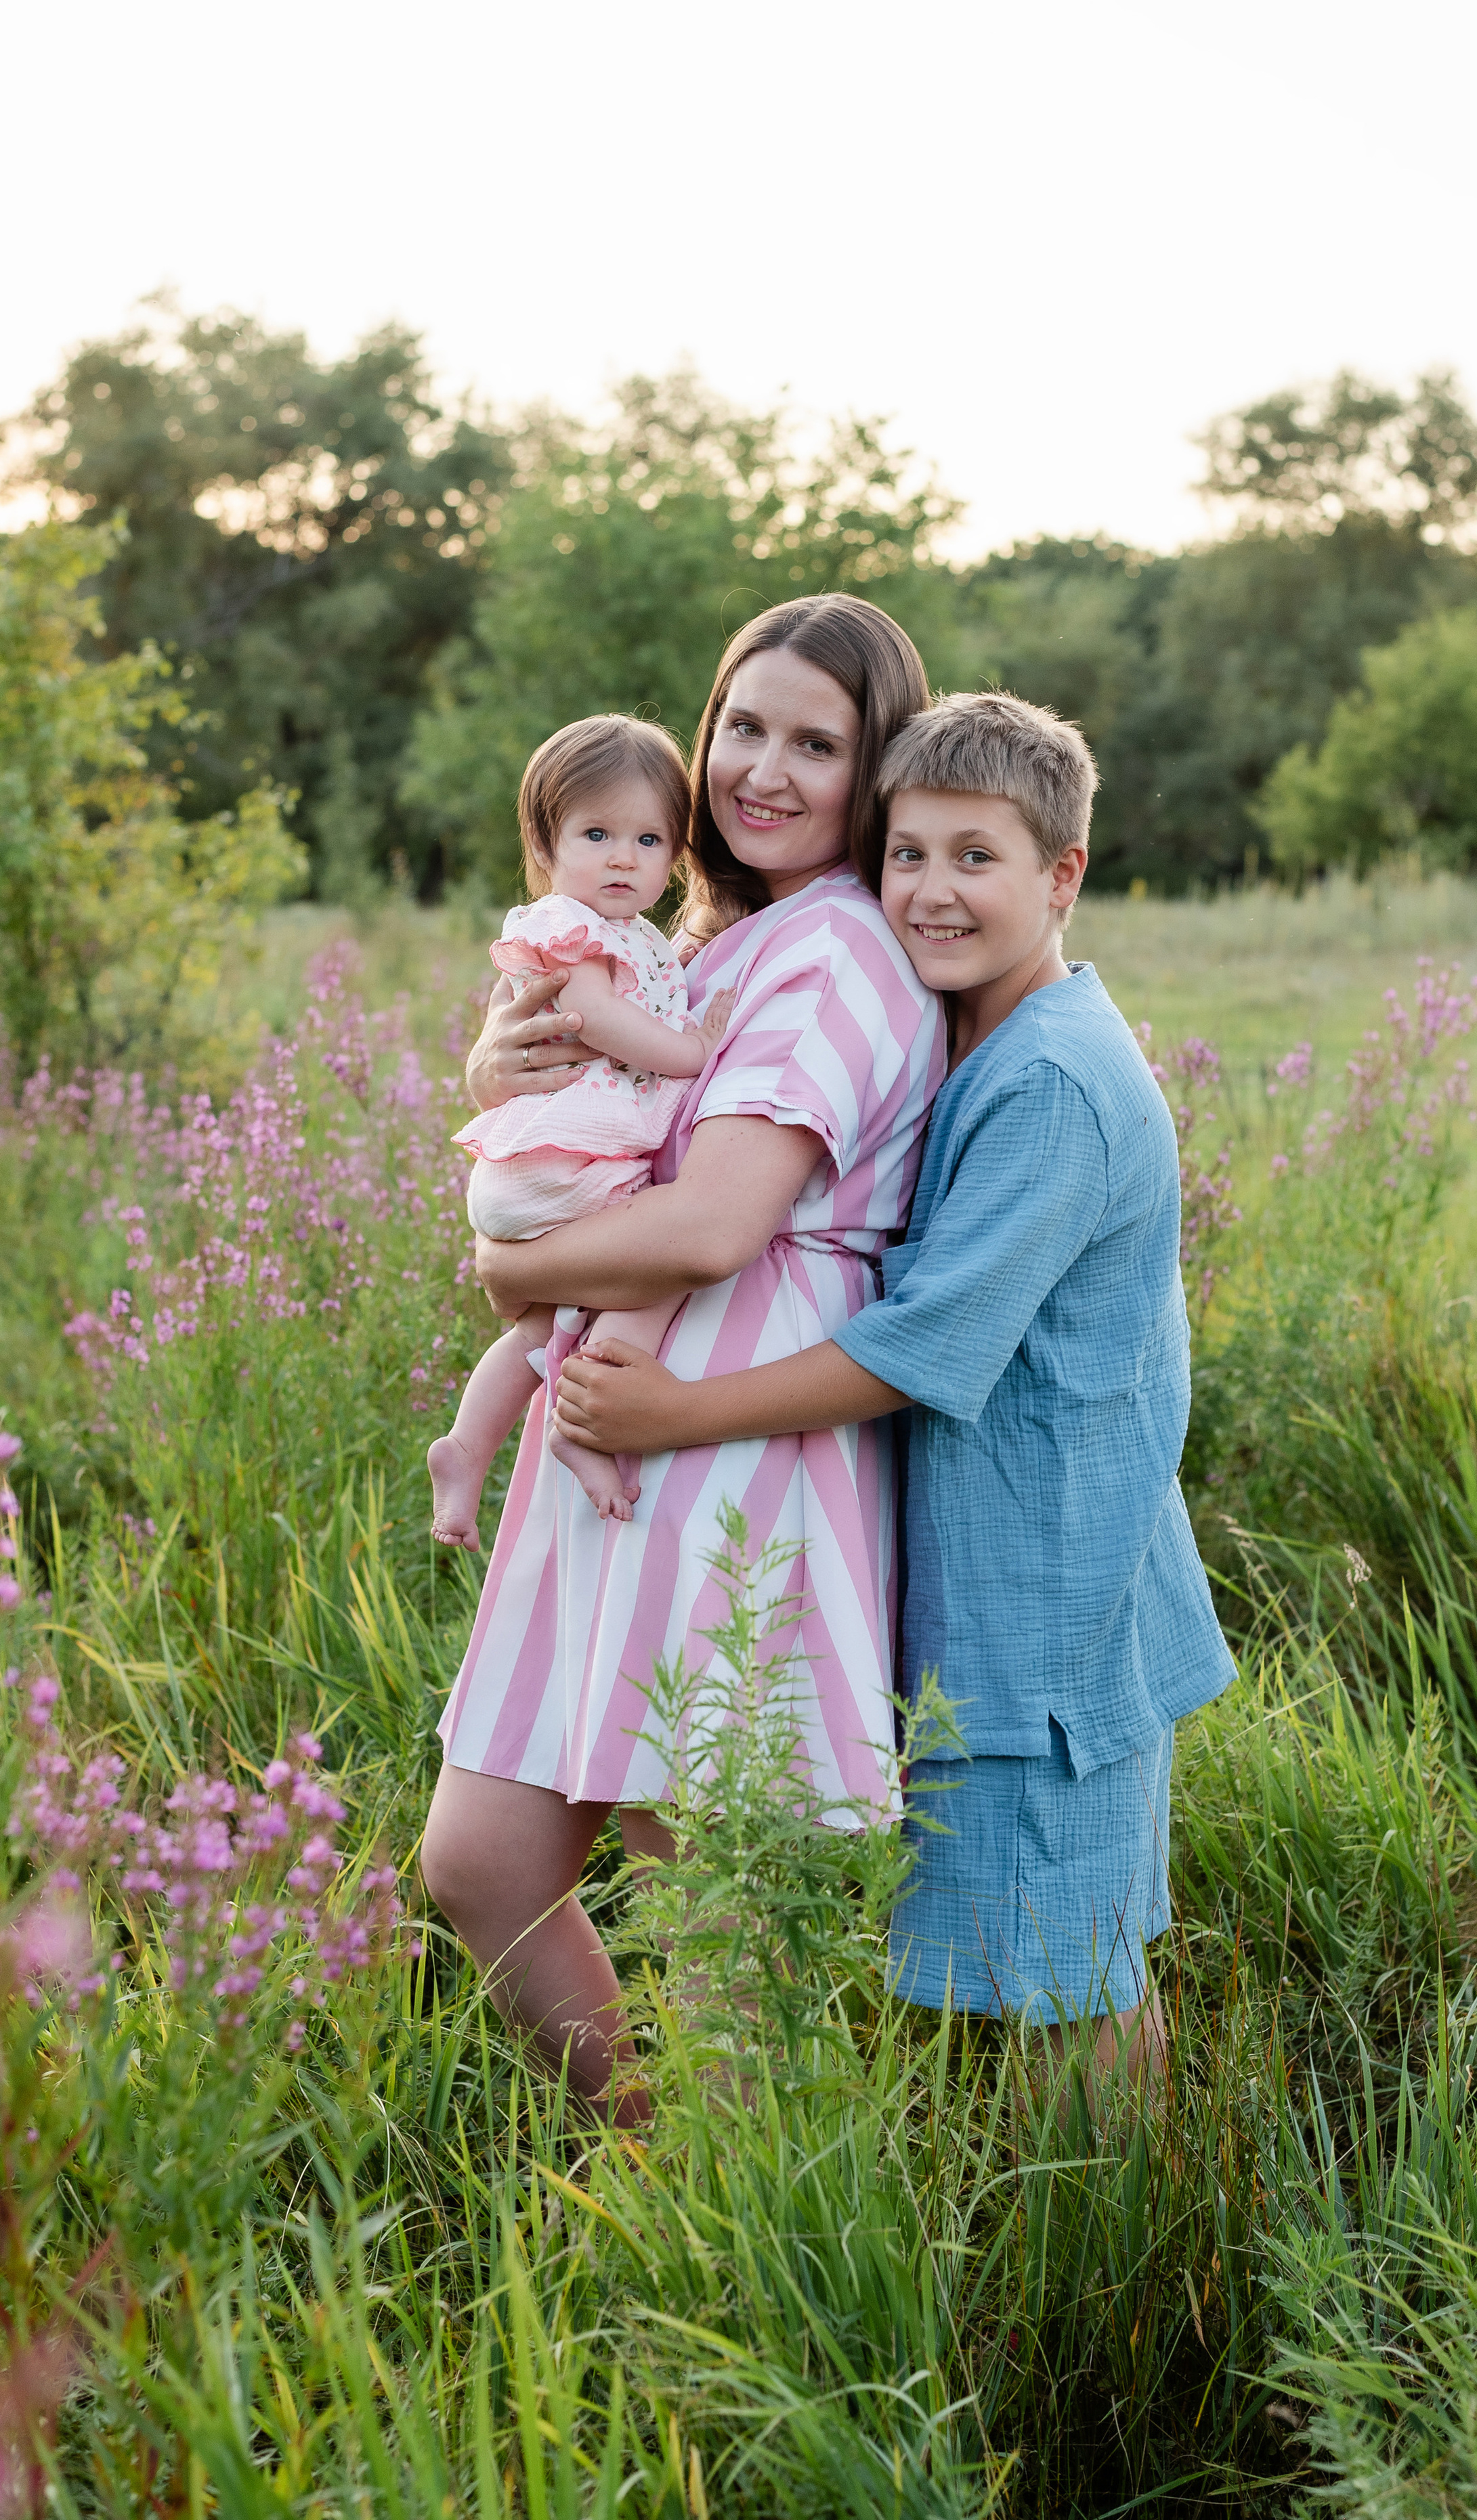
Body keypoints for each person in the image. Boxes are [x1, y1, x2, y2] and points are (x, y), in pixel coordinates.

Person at [555, 692, 1238, 2106]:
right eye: (907, 854)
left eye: (976, 858)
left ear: (1063, 874)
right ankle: (1050, 2216)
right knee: (1023, 1965)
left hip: (1048, 1615)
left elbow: (922, 1347)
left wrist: (671, 1413)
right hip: (1005, 1599)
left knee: (1070, 1989)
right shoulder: (981, 1040)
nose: (931, 891)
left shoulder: (1053, 1083)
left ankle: (1122, 2234)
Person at [419, 596, 948, 2115]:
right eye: (743, 726)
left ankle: (726, 2211)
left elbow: (716, 1223)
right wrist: (503, 1066)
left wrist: (512, 1266)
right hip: (616, 1406)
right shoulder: (709, 933)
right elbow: (605, 1123)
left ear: (873, 767)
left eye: (816, 744)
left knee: (706, 1892)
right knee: (483, 1860)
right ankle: (646, 2152)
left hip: (728, 1427)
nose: (764, 770)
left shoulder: (838, 949)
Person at [429, 714, 735, 1543]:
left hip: (547, 1166)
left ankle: (466, 1445)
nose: (623, 858)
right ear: (545, 844)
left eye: (648, 839)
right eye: (597, 835)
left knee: (543, 1324)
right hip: (565, 1162)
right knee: (656, 1269)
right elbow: (594, 1017)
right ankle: (582, 1427)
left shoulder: (631, 936)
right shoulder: (571, 929)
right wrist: (691, 1049)